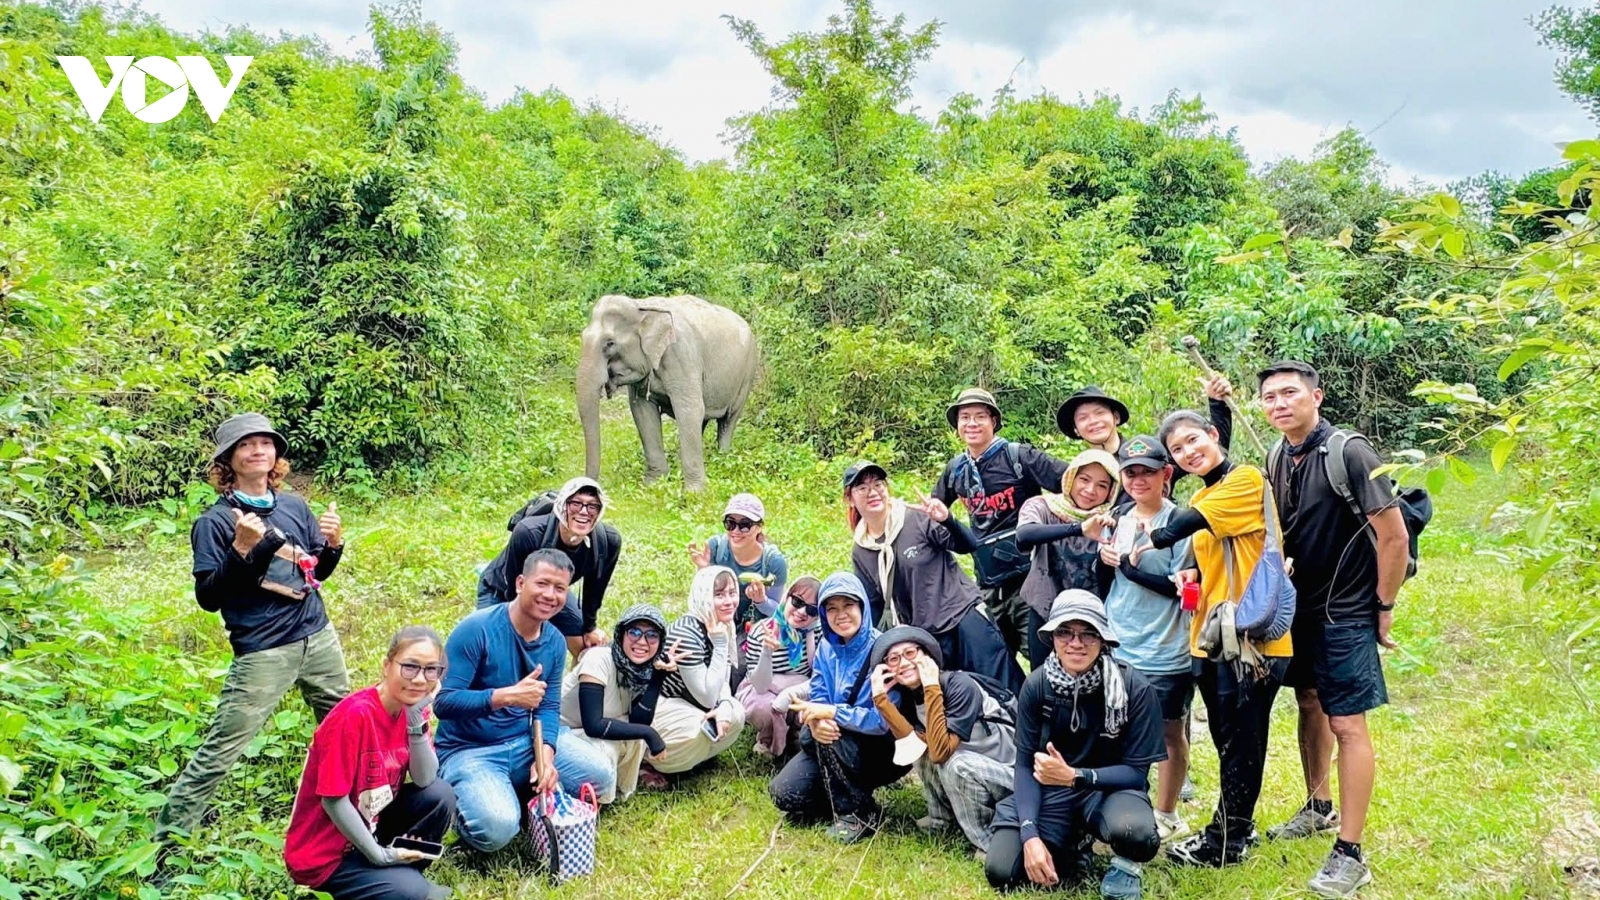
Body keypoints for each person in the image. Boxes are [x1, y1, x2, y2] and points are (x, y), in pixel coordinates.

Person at [157, 412, 351, 842]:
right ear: (228, 460)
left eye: (265, 443)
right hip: (264, 649)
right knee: (224, 745)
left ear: (276, 455)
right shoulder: (216, 522)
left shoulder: (294, 505)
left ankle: (353, 818)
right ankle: (168, 842)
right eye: (246, 445)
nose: (258, 450)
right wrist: (242, 551)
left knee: (344, 728)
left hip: (317, 636)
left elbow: (313, 572)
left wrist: (334, 546)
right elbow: (209, 598)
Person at [1258, 361, 1408, 898]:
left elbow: (1393, 537)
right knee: (1309, 705)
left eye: (1290, 393)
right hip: (1300, 608)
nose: (1279, 403)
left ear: (1316, 396)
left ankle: (1351, 852)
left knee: (1348, 725)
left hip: (1344, 611)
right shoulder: (1279, 453)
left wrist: (1383, 605)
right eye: (1270, 396)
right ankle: (1319, 806)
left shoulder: (1349, 452)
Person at [1146, 409, 1294, 868]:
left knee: (1244, 739)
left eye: (1195, 440)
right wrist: (1190, 569)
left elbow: (1173, 528)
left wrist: (1142, 543)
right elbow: (1205, 543)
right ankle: (1227, 830)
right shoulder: (1211, 490)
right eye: (1178, 449)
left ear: (1214, 436)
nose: (1189, 452)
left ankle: (1228, 841)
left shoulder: (1246, 480)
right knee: (1227, 738)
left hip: (1252, 642)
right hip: (1213, 637)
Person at [985, 591, 1164, 900]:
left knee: (1137, 834)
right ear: (1052, 637)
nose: (1076, 643)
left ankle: (1124, 864)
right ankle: (1071, 847)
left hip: (1108, 790)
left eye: (1088, 634)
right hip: (1051, 790)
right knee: (1002, 871)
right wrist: (1029, 835)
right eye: (1065, 632)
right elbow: (1025, 765)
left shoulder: (1135, 688)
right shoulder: (1038, 685)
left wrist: (1076, 775)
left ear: (1104, 639)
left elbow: (1136, 773)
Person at [284, 626, 456, 900]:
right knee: (417, 895)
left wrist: (415, 723)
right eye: (410, 667)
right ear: (387, 666)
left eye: (431, 670)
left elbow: (425, 779)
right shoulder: (354, 716)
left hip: (370, 824)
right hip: (325, 853)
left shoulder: (413, 708)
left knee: (439, 795)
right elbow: (333, 801)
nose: (420, 679)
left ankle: (399, 875)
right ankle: (392, 878)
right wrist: (379, 856)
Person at [1094, 436, 1196, 844]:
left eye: (1148, 472)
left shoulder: (1181, 523)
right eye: (1131, 472)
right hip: (1119, 641)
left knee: (1169, 732)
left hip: (1165, 647)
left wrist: (1131, 568)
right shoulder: (1118, 519)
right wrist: (1106, 561)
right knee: (1114, 727)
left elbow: (1184, 589)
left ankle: (1168, 812)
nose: (1139, 479)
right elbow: (1111, 582)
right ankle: (1123, 802)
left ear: (1166, 475)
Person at [434, 549, 571, 853]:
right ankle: (455, 808)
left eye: (560, 588)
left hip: (523, 742)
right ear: (521, 583)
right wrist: (505, 696)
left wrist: (544, 758)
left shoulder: (555, 642)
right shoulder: (476, 629)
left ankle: (521, 791)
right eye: (542, 584)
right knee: (496, 830)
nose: (550, 595)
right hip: (470, 749)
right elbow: (443, 703)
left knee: (599, 774)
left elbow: (548, 707)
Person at [846, 460, 1022, 691]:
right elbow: (875, 605)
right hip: (927, 635)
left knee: (1002, 686)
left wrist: (946, 519)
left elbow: (969, 544)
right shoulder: (862, 549)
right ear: (850, 498)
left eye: (878, 484)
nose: (873, 492)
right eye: (862, 488)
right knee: (956, 697)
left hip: (963, 616)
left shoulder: (915, 518)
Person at [931, 388, 1069, 664]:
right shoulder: (957, 469)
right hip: (988, 583)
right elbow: (933, 513)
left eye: (980, 416)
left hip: (1030, 582)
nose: (972, 423)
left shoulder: (1019, 457)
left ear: (993, 421)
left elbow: (1073, 481)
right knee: (997, 661)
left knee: (1045, 659)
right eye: (965, 417)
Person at [768, 572, 909, 844]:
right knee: (784, 794)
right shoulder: (826, 648)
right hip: (832, 740)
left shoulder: (883, 652)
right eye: (831, 608)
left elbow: (883, 721)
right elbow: (819, 694)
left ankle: (858, 814)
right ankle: (840, 798)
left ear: (863, 608)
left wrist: (831, 714)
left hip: (880, 748)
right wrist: (815, 721)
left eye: (848, 606)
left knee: (833, 732)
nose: (840, 615)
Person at [869, 625, 1017, 858]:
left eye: (910, 653)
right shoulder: (909, 697)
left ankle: (986, 840)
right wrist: (881, 700)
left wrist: (931, 687)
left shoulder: (960, 685)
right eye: (894, 659)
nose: (904, 663)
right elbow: (912, 745)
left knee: (956, 763)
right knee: (922, 750)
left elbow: (941, 752)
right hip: (971, 768)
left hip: (1008, 774)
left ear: (926, 655)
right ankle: (942, 819)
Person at [477, 476, 621, 658]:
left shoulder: (608, 541)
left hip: (550, 586)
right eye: (576, 504)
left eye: (592, 506)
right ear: (562, 506)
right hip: (501, 589)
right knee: (499, 652)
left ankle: (578, 686)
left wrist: (589, 627)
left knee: (585, 645)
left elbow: (595, 588)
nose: (584, 512)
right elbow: (515, 593)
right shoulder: (529, 533)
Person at [555, 604, 671, 805]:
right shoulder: (598, 659)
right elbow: (594, 725)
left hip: (584, 732)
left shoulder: (642, 669)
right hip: (560, 735)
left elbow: (638, 719)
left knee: (634, 732)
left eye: (652, 635)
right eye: (634, 632)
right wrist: (649, 733)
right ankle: (592, 797)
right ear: (621, 634)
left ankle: (617, 789)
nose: (642, 641)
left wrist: (657, 678)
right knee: (611, 743)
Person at [1015, 449, 1121, 667]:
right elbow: (1024, 536)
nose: (1090, 490)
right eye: (1084, 479)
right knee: (1043, 679)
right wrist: (1079, 528)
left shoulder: (1114, 518)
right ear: (1071, 478)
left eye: (1102, 485)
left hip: (1092, 620)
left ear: (1111, 491)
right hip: (1045, 610)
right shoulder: (1043, 506)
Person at [1056, 379, 1236, 497]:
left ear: (1116, 417)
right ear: (1076, 429)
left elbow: (1214, 451)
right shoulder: (1077, 474)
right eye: (1083, 418)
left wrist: (1217, 402)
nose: (1093, 421)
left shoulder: (1149, 452)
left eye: (1099, 413)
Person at [648, 567, 746, 776]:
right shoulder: (688, 632)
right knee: (697, 730)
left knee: (735, 712)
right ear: (704, 596)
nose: (729, 601)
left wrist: (726, 705)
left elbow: (722, 684)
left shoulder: (721, 624)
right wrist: (720, 645)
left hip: (689, 703)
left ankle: (694, 758)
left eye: (732, 592)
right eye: (719, 595)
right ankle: (652, 762)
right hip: (660, 705)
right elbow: (708, 697)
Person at [687, 492, 790, 643]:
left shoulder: (773, 562)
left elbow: (778, 613)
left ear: (759, 527)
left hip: (755, 630)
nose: (735, 531)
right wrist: (703, 568)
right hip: (717, 623)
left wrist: (761, 601)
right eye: (730, 523)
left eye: (744, 525)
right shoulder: (716, 548)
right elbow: (700, 600)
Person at [737, 575, 822, 758]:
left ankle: (797, 734)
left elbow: (821, 676)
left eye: (812, 609)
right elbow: (759, 686)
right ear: (786, 597)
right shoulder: (762, 631)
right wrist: (767, 652)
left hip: (800, 689)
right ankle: (768, 739)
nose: (802, 612)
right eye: (797, 601)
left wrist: (791, 693)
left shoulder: (817, 633)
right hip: (763, 689)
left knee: (820, 700)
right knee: (763, 708)